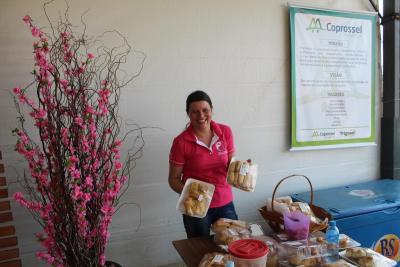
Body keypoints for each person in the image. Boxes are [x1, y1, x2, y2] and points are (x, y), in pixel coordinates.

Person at [169, 90, 238, 238]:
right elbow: (173, 180)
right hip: (196, 206)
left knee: (232, 246)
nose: (201, 116)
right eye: (195, 112)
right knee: (199, 251)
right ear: (188, 113)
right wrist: (193, 193)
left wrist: (241, 169)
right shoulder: (181, 142)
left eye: (205, 110)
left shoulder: (225, 132)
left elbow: (231, 165)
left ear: (212, 110)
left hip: (225, 202)